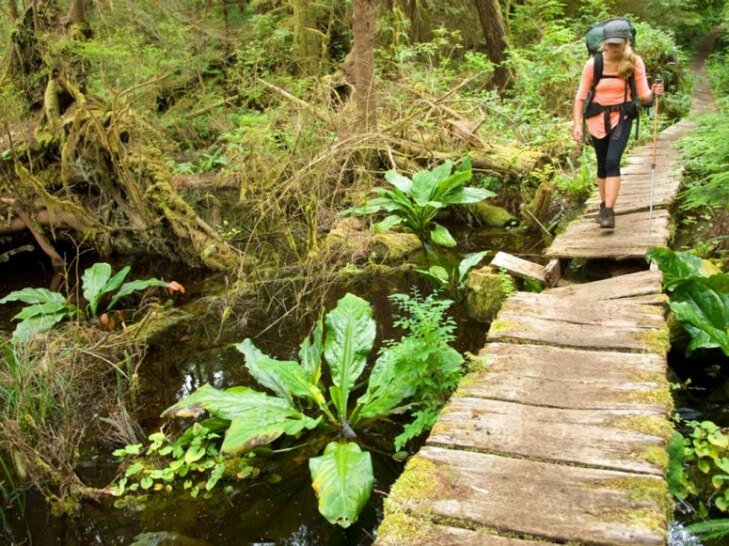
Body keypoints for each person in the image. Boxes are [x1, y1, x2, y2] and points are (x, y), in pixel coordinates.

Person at [571, 19, 664, 229]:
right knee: (602, 163)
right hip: (596, 119)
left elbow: (644, 95)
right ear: (604, 43)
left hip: (621, 117)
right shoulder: (593, 64)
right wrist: (577, 124)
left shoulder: (634, 62)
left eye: (618, 44)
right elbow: (580, 97)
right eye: (610, 44)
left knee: (613, 161)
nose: (613, 48)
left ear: (626, 42)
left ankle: (609, 212)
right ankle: (603, 206)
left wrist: (653, 93)